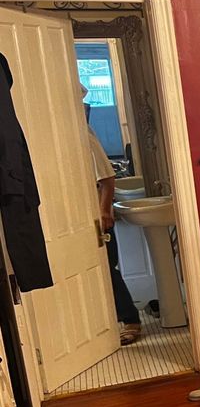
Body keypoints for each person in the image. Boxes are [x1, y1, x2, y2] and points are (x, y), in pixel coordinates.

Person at [85, 114, 141, 345]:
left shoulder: (83, 135)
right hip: (79, 219)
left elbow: (107, 177)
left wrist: (104, 211)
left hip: (98, 218)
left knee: (108, 269)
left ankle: (130, 320)